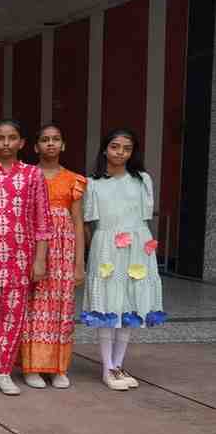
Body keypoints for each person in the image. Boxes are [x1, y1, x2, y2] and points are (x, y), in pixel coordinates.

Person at [0, 119, 50, 396]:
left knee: (13, 318)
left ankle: (3, 371)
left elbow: (42, 221)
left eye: (12, 137)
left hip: (20, 258)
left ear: (22, 142)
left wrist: (40, 260)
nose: (6, 143)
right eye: (0, 138)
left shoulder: (33, 175)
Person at [81, 129, 167, 390]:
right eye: (115, 146)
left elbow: (144, 217)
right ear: (105, 149)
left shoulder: (142, 180)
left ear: (132, 152)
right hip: (106, 245)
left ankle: (118, 364)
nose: (120, 152)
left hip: (138, 245)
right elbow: (88, 222)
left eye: (126, 148)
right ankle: (107, 367)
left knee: (129, 301)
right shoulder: (92, 183)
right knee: (108, 302)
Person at [20, 124, 86, 389]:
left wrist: (79, 262)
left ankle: (58, 367)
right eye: (45, 140)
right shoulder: (27, 176)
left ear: (63, 145)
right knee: (33, 306)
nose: (50, 144)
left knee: (61, 306)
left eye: (55, 139)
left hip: (63, 248)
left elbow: (78, 221)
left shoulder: (74, 179)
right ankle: (32, 366)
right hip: (33, 244)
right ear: (36, 146)